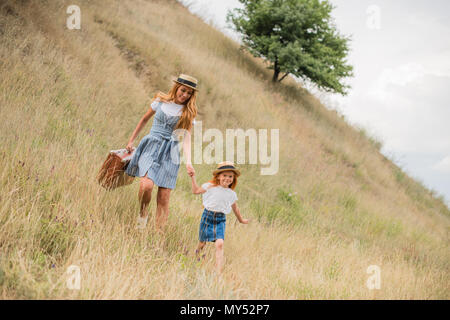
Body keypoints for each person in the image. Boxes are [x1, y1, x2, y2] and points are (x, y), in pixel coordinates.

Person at [125, 74, 198, 232]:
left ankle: (158, 235)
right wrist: (131, 140)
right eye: (183, 90)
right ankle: (142, 216)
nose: (185, 95)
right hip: (152, 145)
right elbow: (144, 120)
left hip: (170, 153)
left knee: (164, 197)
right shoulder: (160, 101)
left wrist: (189, 162)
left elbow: (186, 138)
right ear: (177, 87)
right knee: (146, 186)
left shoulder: (188, 112)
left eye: (189, 93)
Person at [189, 161, 249, 274]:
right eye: (224, 175)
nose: (227, 178)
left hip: (220, 220)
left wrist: (241, 220)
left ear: (234, 178)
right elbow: (195, 191)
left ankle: (218, 272)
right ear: (218, 176)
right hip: (207, 217)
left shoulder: (231, 194)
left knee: (220, 243)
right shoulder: (210, 187)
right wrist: (193, 178)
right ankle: (197, 255)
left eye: (230, 176)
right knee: (202, 243)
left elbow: (236, 209)